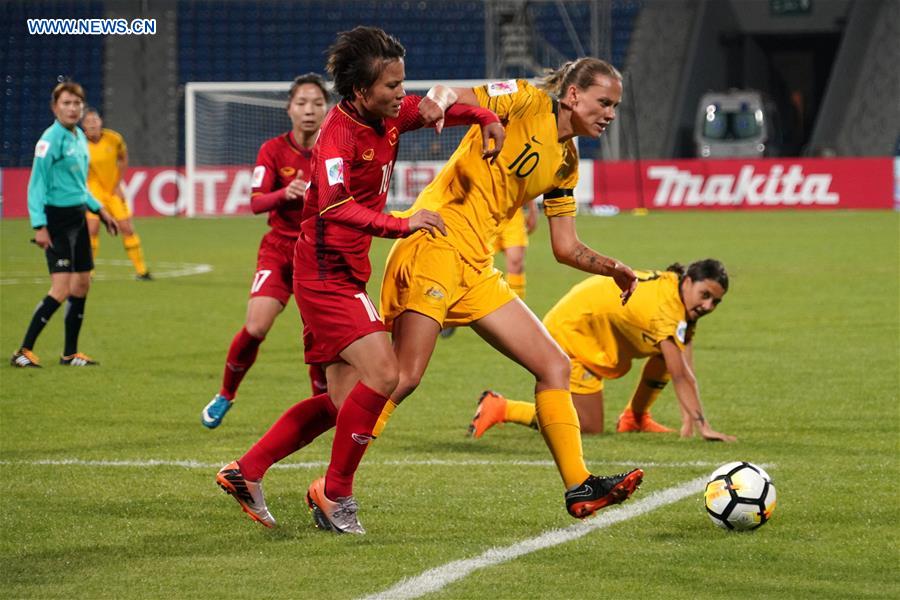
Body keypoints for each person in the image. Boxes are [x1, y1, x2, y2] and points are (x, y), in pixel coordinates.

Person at [214, 26, 504, 533]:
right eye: (392, 86)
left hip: (344, 269)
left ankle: (248, 470)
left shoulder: (386, 116)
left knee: (342, 403)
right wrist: (401, 223)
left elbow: (433, 109)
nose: (401, 94)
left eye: (401, 82)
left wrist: (482, 116)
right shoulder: (338, 135)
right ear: (359, 91)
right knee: (387, 375)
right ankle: (336, 496)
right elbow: (334, 203)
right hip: (325, 272)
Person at [376, 58, 645, 521]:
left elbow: (565, 246)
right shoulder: (523, 99)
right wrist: (436, 104)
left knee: (554, 365)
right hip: (436, 242)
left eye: (615, 106)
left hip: (476, 265)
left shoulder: (566, 161)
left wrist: (612, 267)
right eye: (604, 102)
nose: (610, 114)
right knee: (402, 377)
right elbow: (450, 90)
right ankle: (329, 483)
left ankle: (579, 486)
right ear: (574, 95)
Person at [468, 260, 736, 442]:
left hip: (591, 330)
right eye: (705, 295)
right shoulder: (666, 311)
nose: (709, 306)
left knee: (666, 356)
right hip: (571, 335)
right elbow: (681, 375)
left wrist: (688, 418)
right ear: (688, 282)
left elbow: (683, 366)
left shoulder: (676, 292)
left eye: (716, 301)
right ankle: (502, 407)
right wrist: (703, 426)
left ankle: (635, 418)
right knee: (587, 426)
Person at [201, 73, 330, 429]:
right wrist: (286, 193)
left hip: (317, 253)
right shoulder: (272, 150)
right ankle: (226, 394)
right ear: (289, 108)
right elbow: (257, 203)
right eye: (302, 103)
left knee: (319, 335)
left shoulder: (333, 150)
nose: (309, 110)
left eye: (317, 103)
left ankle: (323, 405)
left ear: (326, 109)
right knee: (256, 326)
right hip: (278, 248)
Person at [9, 81, 118, 369]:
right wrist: (39, 225)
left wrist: (100, 210)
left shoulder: (79, 136)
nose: (72, 108)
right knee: (60, 288)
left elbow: (79, 184)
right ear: (55, 107)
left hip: (78, 217)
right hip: (56, 220)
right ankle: (23, 350)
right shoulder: (50, 139)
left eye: (76, 103)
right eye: (66, 103)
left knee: (82, 284)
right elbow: (36, 184)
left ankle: (69, 354)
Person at [81, 108, 152, 280]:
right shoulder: (79, 143)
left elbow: (123, 157)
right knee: (92, 229)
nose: (92, 124)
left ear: (100, 122)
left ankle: (142, 271)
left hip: (112, 190)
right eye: (88, 121)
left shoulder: (114, 139)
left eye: (94, 120)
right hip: (93, 192)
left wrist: (119, 182)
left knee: (127, 228)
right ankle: (88, 272)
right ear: (83, 125)